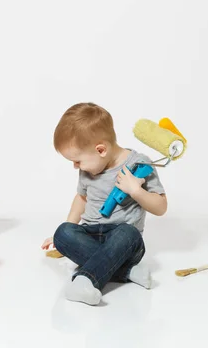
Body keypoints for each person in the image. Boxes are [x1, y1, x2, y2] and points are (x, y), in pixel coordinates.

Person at [41, 102, 168, 306]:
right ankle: (126, 271)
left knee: (128, 233)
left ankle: (84, 281)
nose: (75, 167)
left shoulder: (139, 165)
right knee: (63, 232)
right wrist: (69, 228)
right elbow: (81, 198)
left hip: (124, 243)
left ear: (100, 149)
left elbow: (161, 207)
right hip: (91, 235)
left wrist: (136, 191)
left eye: (77, 161)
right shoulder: (88, 169)